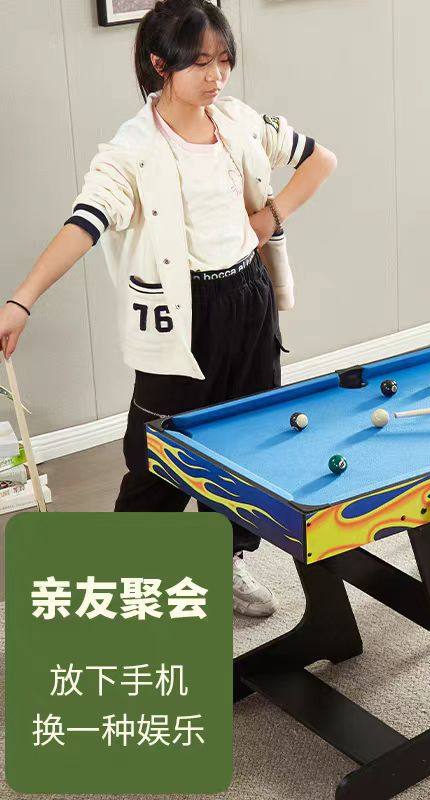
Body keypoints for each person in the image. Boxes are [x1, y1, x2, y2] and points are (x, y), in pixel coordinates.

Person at [0, 0, 337, 618]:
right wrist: (22, 299)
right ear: (161, 64)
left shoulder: (239, 121)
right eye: (200, 63)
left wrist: (269, 217)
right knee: (157, 456)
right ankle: (128, 578)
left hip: (249, 299)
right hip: (183, 315)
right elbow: (84, 222)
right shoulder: (129, 150)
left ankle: (223, 558)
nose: (216, 76)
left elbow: (321, 160)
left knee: (244, 440)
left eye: (224, 60)